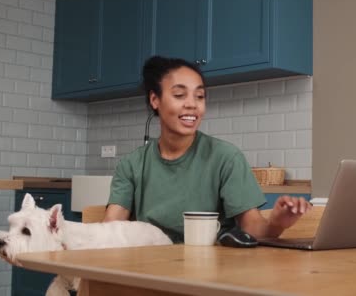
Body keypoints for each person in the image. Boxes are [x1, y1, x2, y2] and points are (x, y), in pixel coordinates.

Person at [104, 55, 311, 242]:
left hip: (210, 270)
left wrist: (276, 224)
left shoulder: (225, 158)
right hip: (147, 268)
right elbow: (110, 231)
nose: (192, 104)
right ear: (155, 99)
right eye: (179, 95)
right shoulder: (131, 165)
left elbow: (253, 229)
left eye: (200, 96)